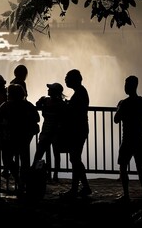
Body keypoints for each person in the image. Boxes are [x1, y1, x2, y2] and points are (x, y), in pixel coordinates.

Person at [0, 84, 40, 195]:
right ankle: (23, 183)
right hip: (24, 137)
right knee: (24, 160)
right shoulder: (28, 105)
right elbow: (37, 118)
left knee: (8, 159)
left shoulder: (6, 106)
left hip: (10, 137)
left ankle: (18, 179)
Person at [114, 75, 142, 202]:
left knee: (123, 166)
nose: (124, 87)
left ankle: (126, 195)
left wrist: (118, 108)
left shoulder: (124, 103)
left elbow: (116, 120)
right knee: (141, 168)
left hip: (127, 139)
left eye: (126, 85)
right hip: (140, 139)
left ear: (130, 86)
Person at [60, 69, 92, 199]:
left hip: (78, 130)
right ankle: (83, 187)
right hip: (80, 129)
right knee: (75, 159)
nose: (66, 80)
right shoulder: (80, 92)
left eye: (67, 78)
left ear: (74, 80)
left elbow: (73, 112)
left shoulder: (80, 93)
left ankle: (77, 188)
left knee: (75, 159)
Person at [33, 82, 67, 182]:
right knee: (52, 154)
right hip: (53, 132)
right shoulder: (60, 103)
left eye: (50, 89)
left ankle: (45, 173)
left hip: (51, 132)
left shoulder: (52, 102)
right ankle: (53, 174)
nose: (48, 90)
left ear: (54, 92)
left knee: (41, 153)